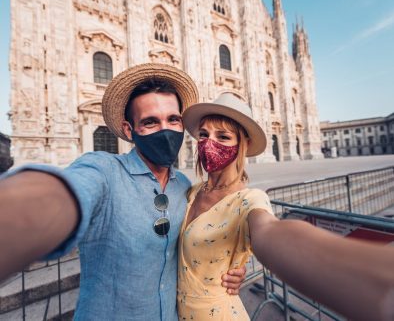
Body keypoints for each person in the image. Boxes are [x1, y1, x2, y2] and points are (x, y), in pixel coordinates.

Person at [0, 63, 246, 321]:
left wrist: (226, 271)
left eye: (173, 119)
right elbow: (65, 192)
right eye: (150, 122)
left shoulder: (184, 186)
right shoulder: (104, 171)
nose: (165, 130)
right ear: (129, 130)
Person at [177, 93, 394, 321]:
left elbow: (270, 232)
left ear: (244, 144)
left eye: (223, 136)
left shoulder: (250, 200)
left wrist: (376, 281)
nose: (209, 143)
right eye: (203, 134)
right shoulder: (193, 192)